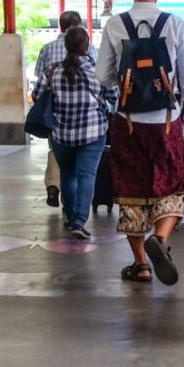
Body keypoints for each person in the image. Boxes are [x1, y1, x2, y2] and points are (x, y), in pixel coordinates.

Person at [96, 0, 184, 285]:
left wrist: (127, 78)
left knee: (132, 189)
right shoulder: (174, 24)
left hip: (127, 122)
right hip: (167, 122)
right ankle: (161, 239)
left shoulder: (115, 25)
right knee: (170, 183)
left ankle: (140, 264)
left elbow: (103, 76)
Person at [37, 27, 117, 239]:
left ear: (66, 45)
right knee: (87, 175)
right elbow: (113, 95)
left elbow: (37, 95)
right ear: (86, 45)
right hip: (92, 132)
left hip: (60, 134)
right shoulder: (96, 70)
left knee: (68, 174)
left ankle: (71, 216)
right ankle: (80, 221)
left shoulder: (53, 70)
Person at [33, 11, 96, 209]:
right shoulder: (91, 49)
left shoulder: (47, 49)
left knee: (57, 153)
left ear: (60, 27)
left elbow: (39, 88)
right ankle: (78, 212)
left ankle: (53, 185)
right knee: (83, 166)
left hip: (57, 117)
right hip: (87, 118)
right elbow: (101, 82)